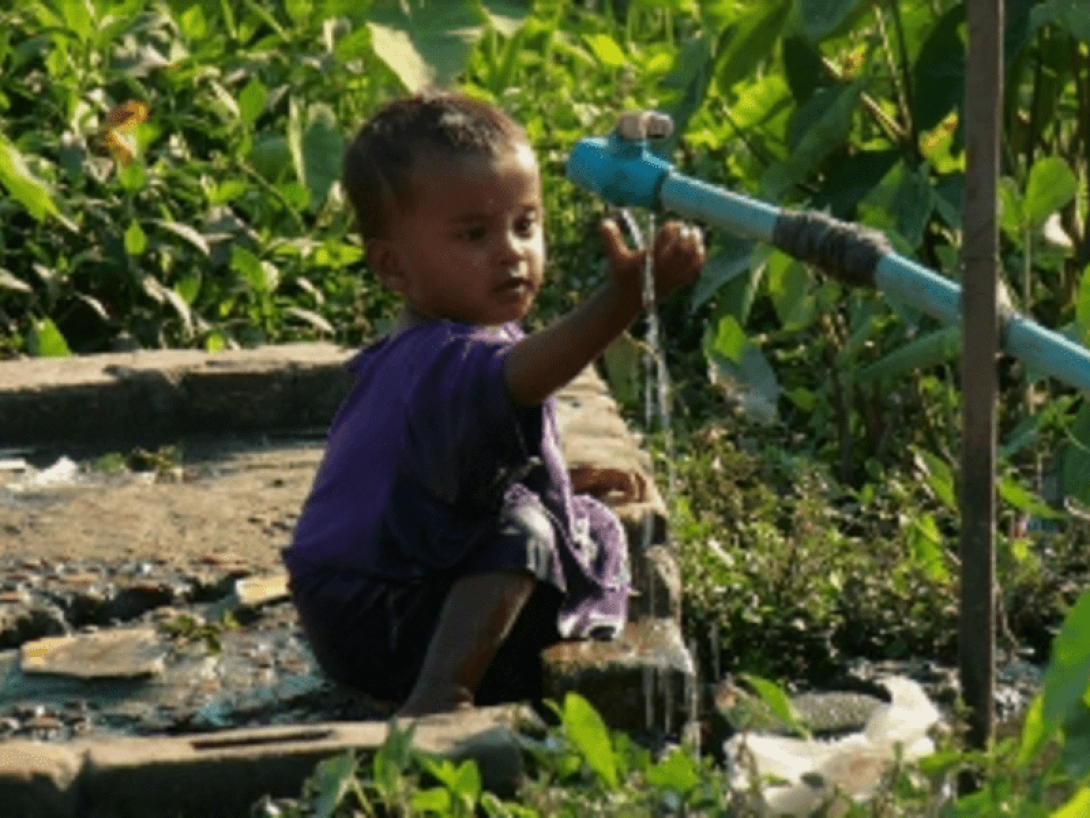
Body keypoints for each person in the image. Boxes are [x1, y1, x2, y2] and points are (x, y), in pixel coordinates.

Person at [282, 89, 705, 717]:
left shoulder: (454, 337)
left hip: (354, 594)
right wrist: (625, 300)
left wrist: (560, 479)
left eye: (525, 224)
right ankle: (438, 694)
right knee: (521, 533)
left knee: (547, 515)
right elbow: (526, 375)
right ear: (393, 267)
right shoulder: (441, 358)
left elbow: (445, 470)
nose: (511, 251)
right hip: (374, 617)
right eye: (474, 234)